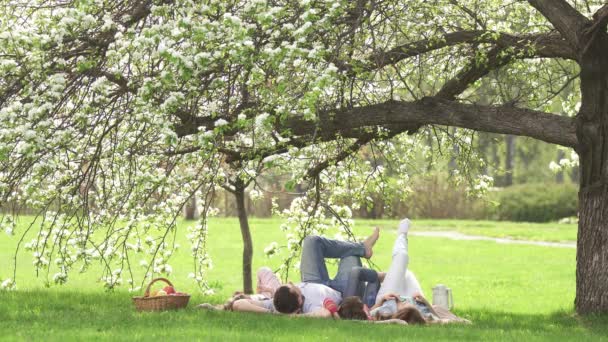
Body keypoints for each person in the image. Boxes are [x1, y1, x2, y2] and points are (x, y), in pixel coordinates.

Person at [340, 218, 469, 324]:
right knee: (406, 273)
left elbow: (367, 318)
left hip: (390, 294)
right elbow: (464, 322)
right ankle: (389, 264)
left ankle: (401, 236)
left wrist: (380, 302)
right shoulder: (424, 318)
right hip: (414, 298)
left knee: (402, 258)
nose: (367, 310)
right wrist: (426, 303)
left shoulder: (380, 315)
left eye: (366, 310)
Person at [231, 228, 380, 317]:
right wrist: (292, 317)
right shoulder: (311, 307)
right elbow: (326, 314)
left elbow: (239, 304)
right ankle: (360, 250)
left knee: (311, 241)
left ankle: (363, 248)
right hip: (342, 289)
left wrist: (273, 314)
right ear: (299, 301)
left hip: (313, 280)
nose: (291, 283)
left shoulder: (274, 306)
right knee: (350, 256)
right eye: (293, 287)